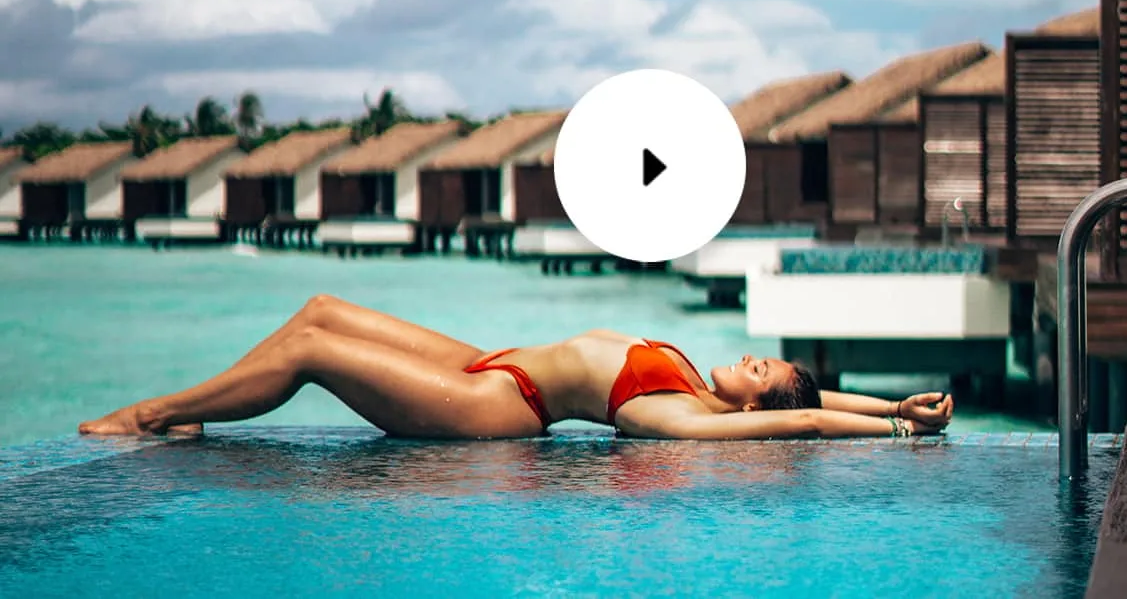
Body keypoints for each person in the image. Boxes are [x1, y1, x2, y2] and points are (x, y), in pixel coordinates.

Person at [79, 294, 954, 441]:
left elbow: (800, 417)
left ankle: (152, 415)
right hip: (487, 359)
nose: (754, 359)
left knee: (311, 353)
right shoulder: (691, 376)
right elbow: (806, 394)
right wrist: (890, 396)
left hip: (492, 401)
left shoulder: (682, 419)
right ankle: (199, 407)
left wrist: (893, 432)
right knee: (318, 311)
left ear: (752, 404)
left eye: (761, 370)